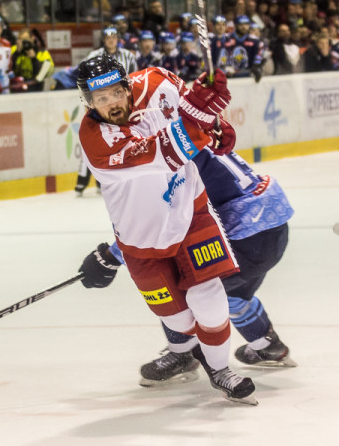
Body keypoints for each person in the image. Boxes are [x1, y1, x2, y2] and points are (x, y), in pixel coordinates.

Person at [74, 54, 255, 404]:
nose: (111, 103)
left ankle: (222, 371)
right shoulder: (96, 140)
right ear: (88, 102)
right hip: (141, 238)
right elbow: (167, 151)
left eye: (115, 92)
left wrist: (214, 122)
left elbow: (191, 109)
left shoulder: (157, 82)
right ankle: (202, 351)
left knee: (210, 300)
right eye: (101, 98)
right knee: (178, 319)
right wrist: (202, 120)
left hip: (190, 211)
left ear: (127, 86)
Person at [78, 148, 296, 386]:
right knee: (233, 293)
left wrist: (111, 256)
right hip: (273, 223)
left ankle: (183, 353)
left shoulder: (162, 154)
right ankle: (267, 345)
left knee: (176, 279)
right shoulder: (183, 137)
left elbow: (160, 223)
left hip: (243, 235)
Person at [75, 27, 137, 196]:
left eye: (114, 37)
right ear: (103, 39)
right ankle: (85, 181)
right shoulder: (92, 56)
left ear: (118, 38)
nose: (111, 40)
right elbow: (84, 84)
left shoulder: (128, 56)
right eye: (108, 37)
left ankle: (110, 179)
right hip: (101, 106)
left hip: (121, 103)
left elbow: (133, 79)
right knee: (96, 142)